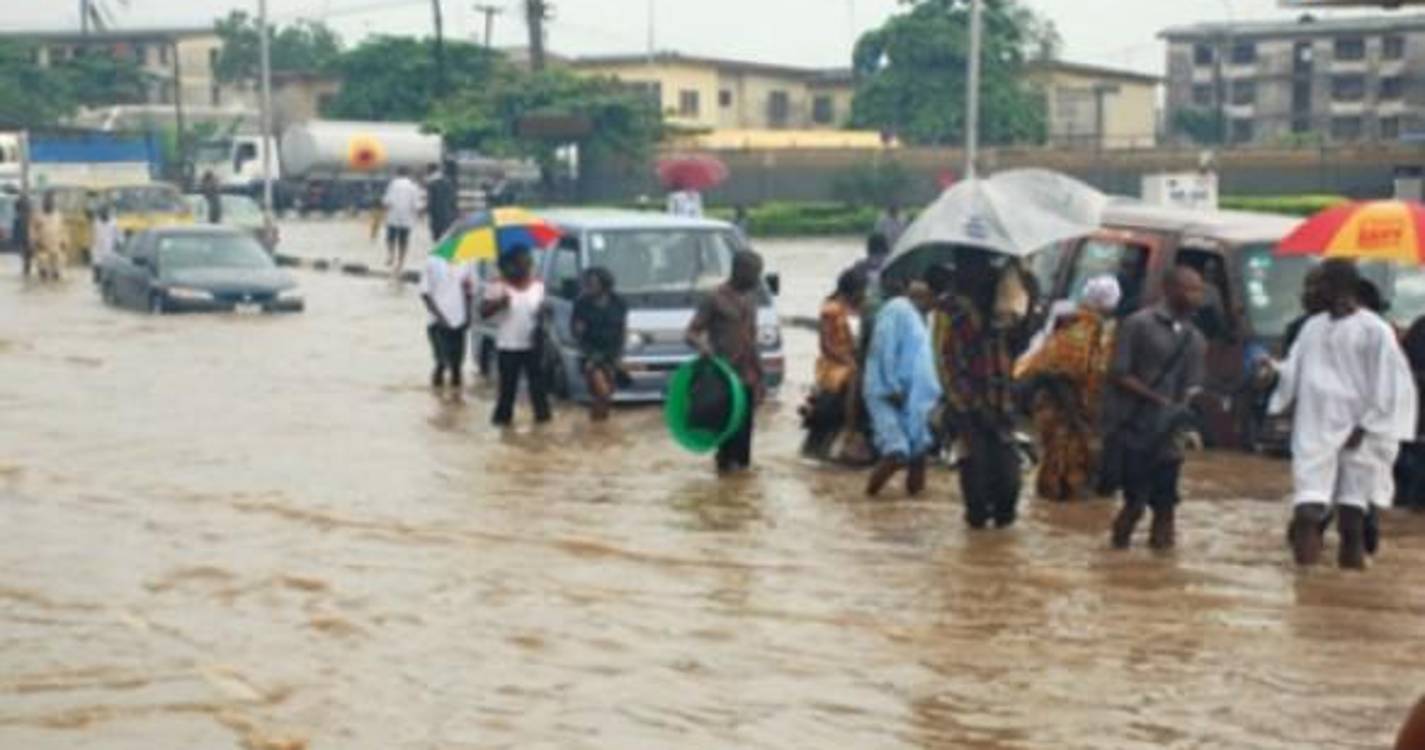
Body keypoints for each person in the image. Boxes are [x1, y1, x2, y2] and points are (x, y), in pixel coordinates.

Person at [1269, 260, 1418, 570]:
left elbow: (1390, 388)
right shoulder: (1311, 328)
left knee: (1351, 522)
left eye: (1315, 285)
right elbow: (1294, 371)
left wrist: (1363, 428)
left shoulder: (1375, 331)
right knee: (1307, 511)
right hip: (1315, 431)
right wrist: (1272, 375)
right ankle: (1306, 585)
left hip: (1360, 437)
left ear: (1339, 288)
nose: (1308, 293)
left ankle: (1349, 579)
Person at [1103, 267, 1208, 550]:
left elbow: (1193, 386)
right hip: (1135, 429)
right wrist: (1155, 398)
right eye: (1190, 289)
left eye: (1199, 290)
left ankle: (1162, 562)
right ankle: (1115, 555)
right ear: (1169, 289)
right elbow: (1118, 372)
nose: (1197, 296)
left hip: (1170, 436)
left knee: (1166, 506)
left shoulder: (1196, 338)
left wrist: (1186, 420)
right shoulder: (1138, 325)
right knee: (1134, 504)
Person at [933, 251, 1022, 529]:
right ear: (962, 270)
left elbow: (1014, 349)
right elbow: (945, 364)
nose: (983, 272)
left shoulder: (1000, 305)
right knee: (977, 484)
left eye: (985, 265)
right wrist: (972, 407)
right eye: (975, 266)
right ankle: (977, 529)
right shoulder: (949, 311)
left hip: (1001, 403)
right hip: (968, 410)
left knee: (1010, 485)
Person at [1015, 275, 1121, 501]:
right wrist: (1077, 418)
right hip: (1063, 411)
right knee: (1060, 467)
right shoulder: (1078, 329)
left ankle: (1061, 510)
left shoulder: (1095, 329)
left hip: (1079, 411)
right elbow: (1058, 375)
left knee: (1073, 467)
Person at [686, 249, 766, 474]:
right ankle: (725, 473)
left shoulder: (751, 298)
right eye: (754, 273)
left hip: (747, 376)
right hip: (723, 377)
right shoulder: (714, 298)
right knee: (727, 434)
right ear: (739, 271)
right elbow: (691, 332)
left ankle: (740, 482)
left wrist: (760, 378)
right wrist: (703, 347)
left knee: (745, 435)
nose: (757, 279)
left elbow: (752, 339)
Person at [863, 280, 942, 496]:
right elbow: (883, 347)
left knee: (919, 452)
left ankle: (914, 505)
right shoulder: (896, 309)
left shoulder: (923, 319)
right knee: (896, 453)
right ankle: (868, 498)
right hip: (887, 392)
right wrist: (891, 385)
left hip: (915, 397)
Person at [803, 268, 870, 461]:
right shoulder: (831, 309)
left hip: (852, 359)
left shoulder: (860, 308)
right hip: (833, 363)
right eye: (862, 289)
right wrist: (847, 359)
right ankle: (850, 428)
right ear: (853, 289)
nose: (864, 293)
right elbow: (825, 345)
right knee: (853, 378)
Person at [483, 246, 551, 426]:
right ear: (510, 265)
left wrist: (544, 312)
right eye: (521, 264)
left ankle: (543, 426)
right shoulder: (497, 285)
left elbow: (541, 315)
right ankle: (502, 424)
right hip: (508, 346)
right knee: (507, 391)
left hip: (533, 345)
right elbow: (483, 312)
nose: (526, 267)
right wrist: (499, 303)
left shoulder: (538, 286)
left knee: (538, 390)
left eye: (528, 263)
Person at [571, 267, 628, 422]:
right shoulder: (582, 303)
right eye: (587, 283)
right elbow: (576, 332)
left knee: (607, 394)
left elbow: (622, 329)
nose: (589, 287)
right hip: (591, 354)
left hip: (611, 353)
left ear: (604, 284)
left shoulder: (619, 302)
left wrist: (620, 354)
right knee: (602, 391)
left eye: (593, 283)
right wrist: (579, 330)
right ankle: (597, 425)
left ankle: (599, 424)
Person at [420, 253, 474, 390]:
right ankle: (437, 396)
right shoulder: (432, 261)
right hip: (437, 323)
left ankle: (455, 399)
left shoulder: (466, 261)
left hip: (459, 320)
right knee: (441, 363)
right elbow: (425, 293)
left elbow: (469, 292)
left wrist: (468, 315)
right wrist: (440, 318)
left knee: (457, 366)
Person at [382, 166, 423, 272]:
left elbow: (387, 201)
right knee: (403, 241)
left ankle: (391, 255)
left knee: (390, 238)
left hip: (393, 216)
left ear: (397, 174)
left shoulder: (393, 185)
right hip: (407, 218)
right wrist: (420, 215)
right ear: (408, 175)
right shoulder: (413, 186)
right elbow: (416, 204)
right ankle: (400, 263)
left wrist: (384, 212)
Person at [29, 190, 68, 282]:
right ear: (43, 202)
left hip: (56, 247)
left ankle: (54, 279)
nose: (49, 203)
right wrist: (34, 241)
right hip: (42, 247)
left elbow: (64, 230)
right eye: (47, 201)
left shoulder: (58, 215)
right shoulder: (37, 215)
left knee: (57, 272)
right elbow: (32, 230)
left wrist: (64, 241)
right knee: (43, 269)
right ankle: (43, 278)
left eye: (51, 201)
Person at [425, 161, 459, 242]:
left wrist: (427, 211)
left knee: (437, 237)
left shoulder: (433, 184)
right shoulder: (451, 184)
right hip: (448, 215)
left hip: (436, 216)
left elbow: (431, 202)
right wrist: (456, 213)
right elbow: (453, 201)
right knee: (446, 237)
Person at [89, 204, 119, 282]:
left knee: (109, 267)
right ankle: (97, 278)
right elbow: (93, 235)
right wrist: (92, 246)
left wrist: (117, 245)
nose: (103, 214)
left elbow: (117, 236)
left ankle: (108, 280)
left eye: (104, 212)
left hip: (110, 249)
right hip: (98, 249)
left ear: (107, 212)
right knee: (97, 265)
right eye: (101, 213)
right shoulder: (96, 222)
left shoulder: (114, 222)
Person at [13, 191, 32, 277]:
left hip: (25, 237)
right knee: (27, 251)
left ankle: (26, 266)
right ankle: (26, 266)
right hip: (27, 237)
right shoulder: (29, 216)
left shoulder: (18, 218)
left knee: (25, 250)